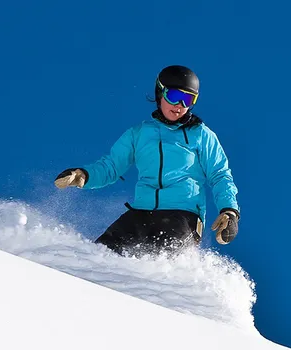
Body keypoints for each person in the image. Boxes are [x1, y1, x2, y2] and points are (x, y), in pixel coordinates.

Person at [54, 65, 239, 255]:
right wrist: (84, 175)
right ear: (160, 93)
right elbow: (111, 166)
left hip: (183, 216)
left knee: (160, 258)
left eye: (188, 99)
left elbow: (219, 174)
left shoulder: (201, 135)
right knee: (98, 257)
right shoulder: (139, 134)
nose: (180, 106)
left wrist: (229, 211)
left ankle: (169, 282)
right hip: (140, 213)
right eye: (175, 96)